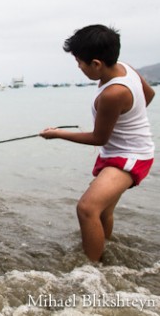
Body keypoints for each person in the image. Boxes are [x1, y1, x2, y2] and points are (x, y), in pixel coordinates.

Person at [40, 25, 155, 262]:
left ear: (96, 64)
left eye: (80, 62)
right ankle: (105, 255)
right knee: (102, 211)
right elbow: (149, 95)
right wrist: (128, 121)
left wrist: (58, 134)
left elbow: (98, 138)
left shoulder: (113, 93)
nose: (79, 67)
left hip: (130, 157)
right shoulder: (125, 68)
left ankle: (91, 270)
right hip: (123, 152)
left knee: (86, 208)